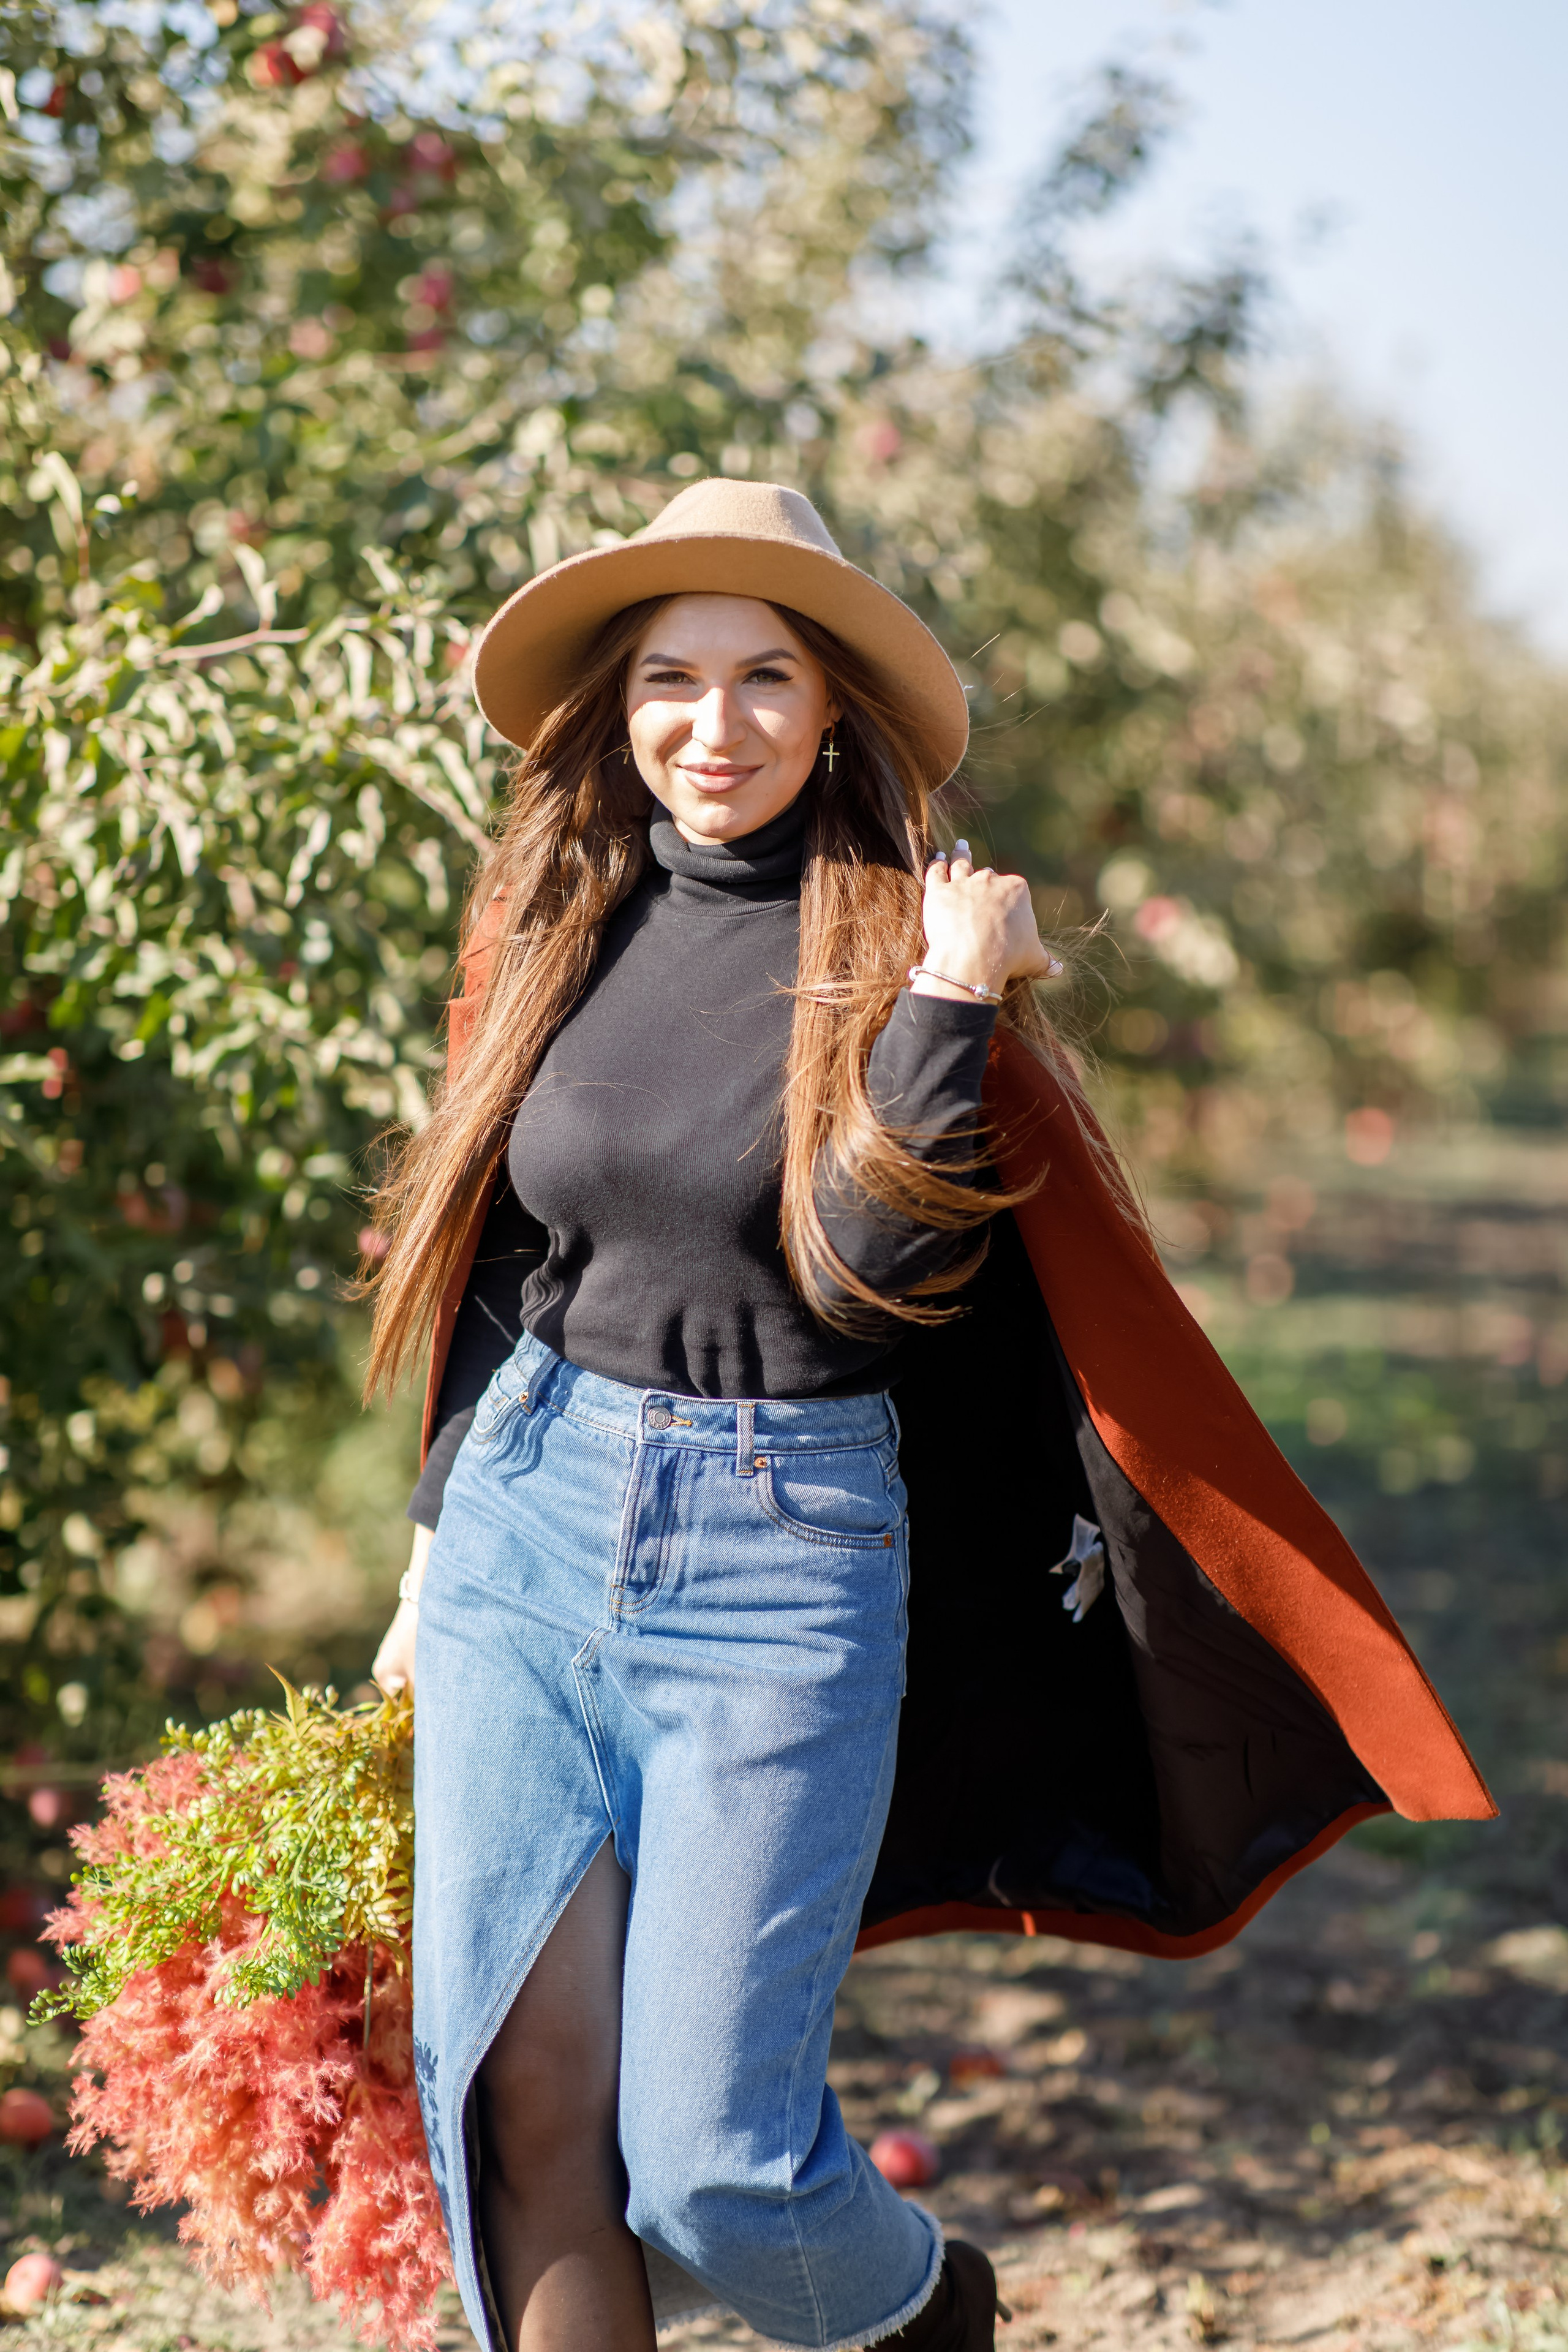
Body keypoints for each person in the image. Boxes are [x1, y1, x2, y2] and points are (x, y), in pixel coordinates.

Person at [363, 480, 1493, 2352]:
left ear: (832, 711)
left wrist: (957, 1003)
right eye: (669, 678)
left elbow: (852, 1276)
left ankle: (924, 2319)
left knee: (712, 2164)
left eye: (762, 679)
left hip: (777, 1559)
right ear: (615, 704)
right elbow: (508, 1260)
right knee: (520, 2099)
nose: (709, 728)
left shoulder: (904, 954)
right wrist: (425, 1557)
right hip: (521, 1532)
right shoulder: (555, 921)